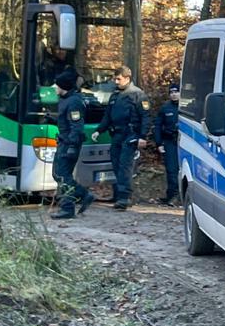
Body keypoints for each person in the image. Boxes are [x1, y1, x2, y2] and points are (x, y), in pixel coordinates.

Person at [92, 67, 150, 210]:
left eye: (119, 79)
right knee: (116, 164)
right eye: (115, 79)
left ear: (127, 78)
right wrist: (99, 130)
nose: (116, 81)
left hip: (130, 135)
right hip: (117, 134)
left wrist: (142, 136)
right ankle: (119, 194)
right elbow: (107, 116)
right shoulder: (115, 95)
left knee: (125, 166)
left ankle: (124, 198)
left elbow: (146, 117)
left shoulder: (138, 94)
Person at [50, 71, 95, 219]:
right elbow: (65, 120)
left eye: (56, 85)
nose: (54, 87)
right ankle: (83, 195)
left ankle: (68, 208)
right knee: (58, 174)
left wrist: (71, 146)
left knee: (63, 176)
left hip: (69, 144)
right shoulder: (65, 99)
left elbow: (76, 126)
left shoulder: (74, 101)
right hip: (64, 141)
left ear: (63, 86)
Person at [155, 84, 181, 206]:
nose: (174, 94)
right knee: (171, 169)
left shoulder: (186, 107)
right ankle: (172, 195)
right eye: (171, 92)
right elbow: (158, 126)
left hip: (183, 142)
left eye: (176, 91)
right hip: (169, 141)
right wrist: (159, 143)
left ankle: (179, 196)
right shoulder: (165, 108)